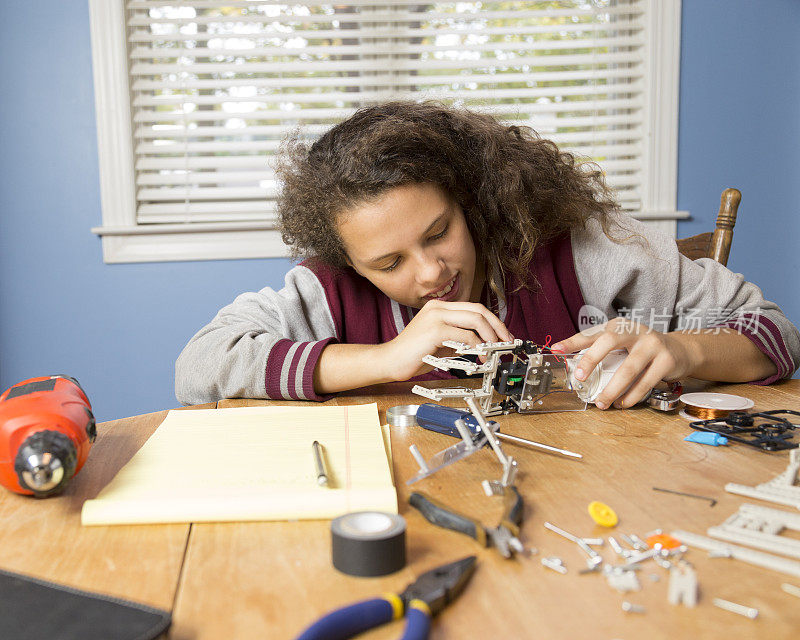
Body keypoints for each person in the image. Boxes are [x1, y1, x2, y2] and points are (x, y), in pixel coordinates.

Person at [175, 101, 800, 409]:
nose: (429, 273)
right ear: (351, 264)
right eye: (387, 265)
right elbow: (198, 367)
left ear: (470, 202)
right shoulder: (326, 293)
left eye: (439, 232)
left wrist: (684, 350)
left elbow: (775, 331)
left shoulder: (582, 248)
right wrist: (385, 358)